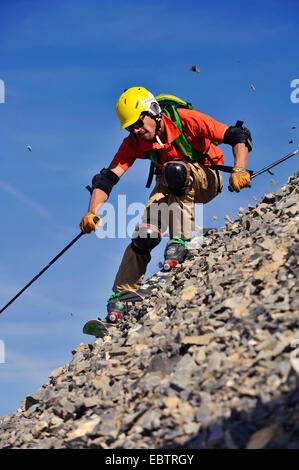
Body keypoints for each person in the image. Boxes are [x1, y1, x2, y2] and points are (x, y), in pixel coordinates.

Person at [80, 86, 252, 322]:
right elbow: (107, 178)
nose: (137, 131)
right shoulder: (134, 142)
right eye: (131, 127)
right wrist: (92, 212)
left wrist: (240, 168)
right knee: (145, 235)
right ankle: (123, 295)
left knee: (175, 171)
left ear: (152, 111)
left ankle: (183, 239)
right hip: (168, 181)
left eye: (138, 124)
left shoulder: (185, 120)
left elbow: (238, 135)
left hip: (205, 176)